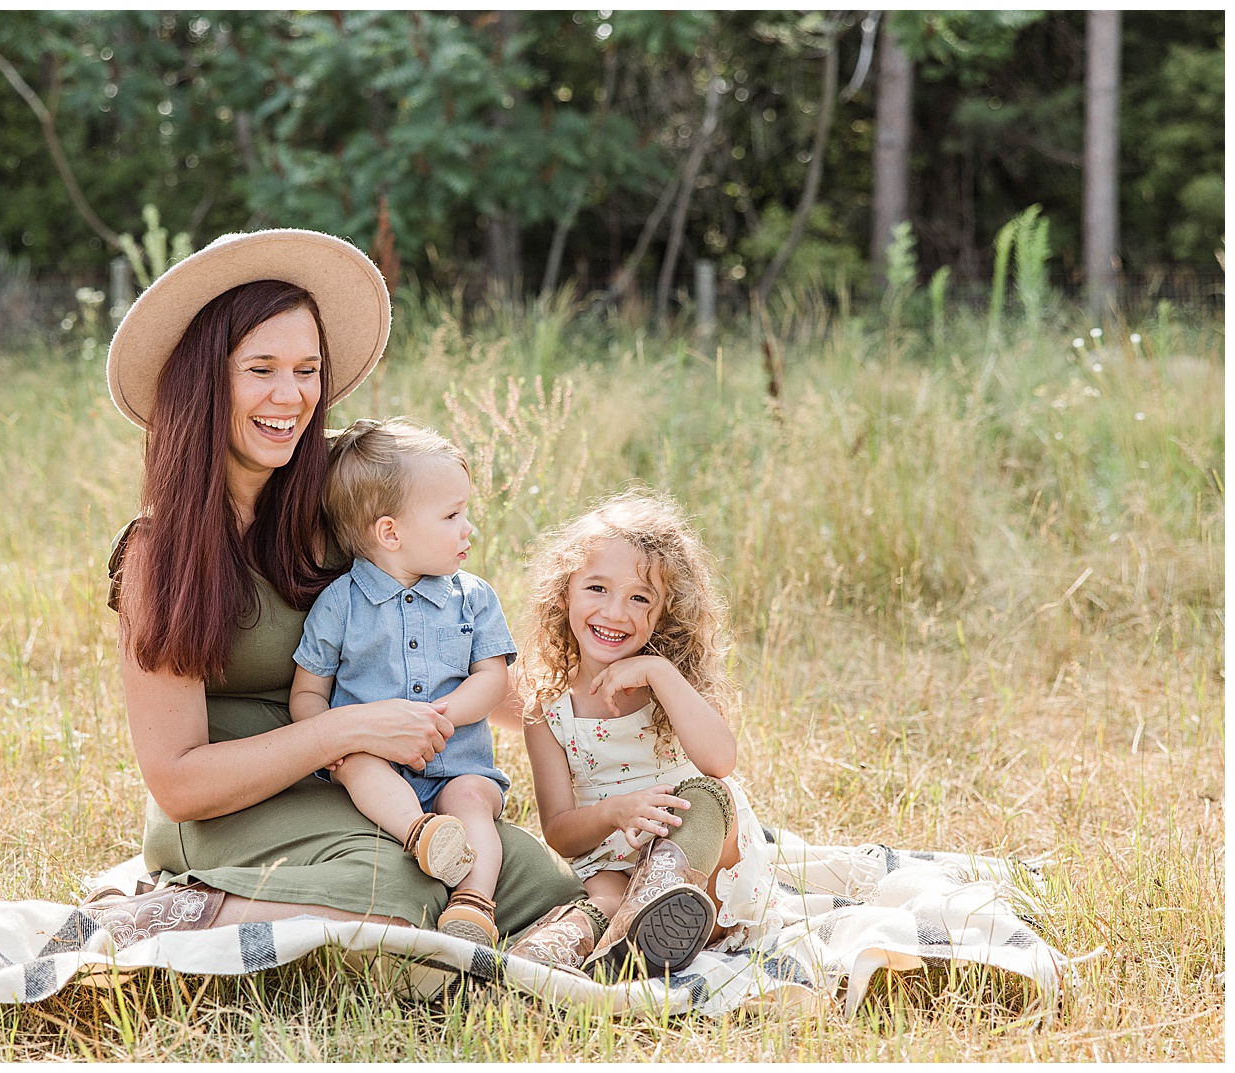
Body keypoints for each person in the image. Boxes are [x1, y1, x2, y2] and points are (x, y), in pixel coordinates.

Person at [83, 228, 587, 950]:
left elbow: (445, 630)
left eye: (307, 368)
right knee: (401, 896)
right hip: (228, 811)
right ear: (206, 380)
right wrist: (348, 729)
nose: (290, 396)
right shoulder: (159, 553)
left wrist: (577, 708)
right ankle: (165, 914)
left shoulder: (338, 487)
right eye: (260, 368)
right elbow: (179, 781)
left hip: (357, 788)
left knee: (531, 886)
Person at [507, 491, 780, 978]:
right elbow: (561, 832)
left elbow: (719, 762)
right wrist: (616, 812)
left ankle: (662, 900)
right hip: (615, 864)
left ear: (663, 615)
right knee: (607, 898)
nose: (615, 613)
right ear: (564, 591)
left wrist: (658, 672)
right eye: (596, 588)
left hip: (704, 868)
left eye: (640, 598)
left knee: (705, 795)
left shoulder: (672, 683)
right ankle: (560, 949)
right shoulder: (547, 709)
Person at [290, 418, 514, 945]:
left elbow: (492, 679)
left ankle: (473, 903)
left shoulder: (473, 596)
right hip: (375, 762)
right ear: (390, 532)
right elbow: (307, 692)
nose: (468, 529)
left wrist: (441, 716)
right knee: (361, 768)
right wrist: (336, 739)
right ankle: (420, 834)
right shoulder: (340, 604)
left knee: (474, 800)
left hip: (457, 763)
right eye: (452, 515)